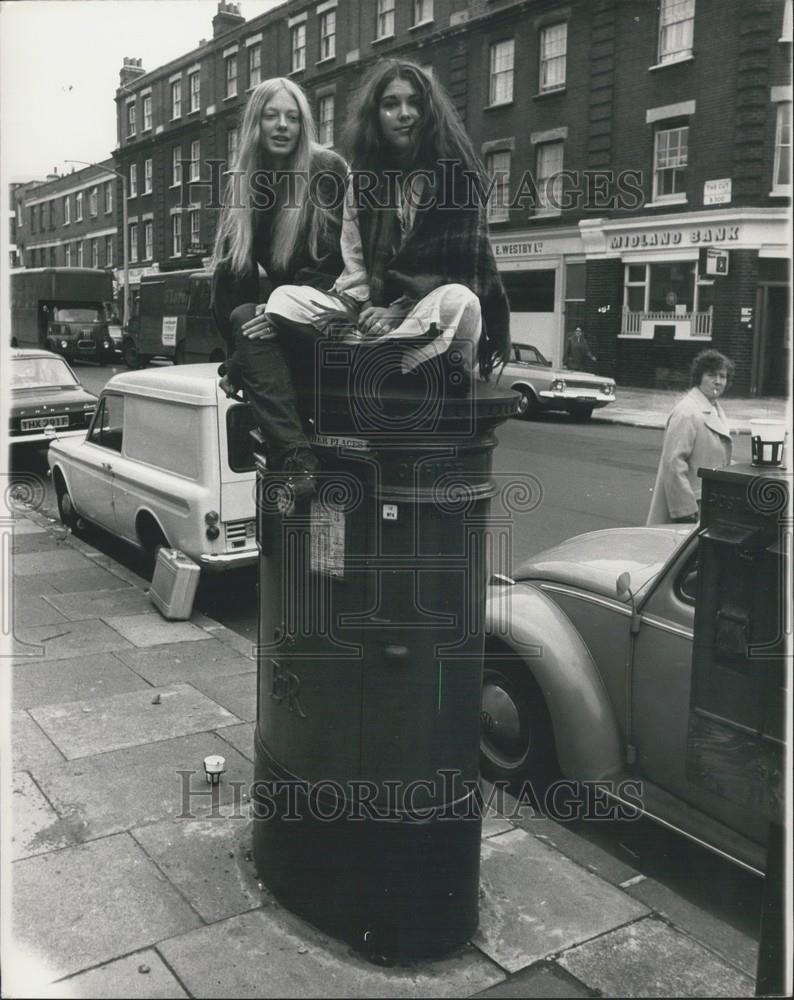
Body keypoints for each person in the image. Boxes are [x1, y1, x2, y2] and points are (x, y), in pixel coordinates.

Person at [258, 58, 511, 464]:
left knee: (461, 302)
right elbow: (354, 263)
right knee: (283, 301)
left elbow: (466, 269)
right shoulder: (362, 176)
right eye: (391, 104)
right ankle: (390, 361)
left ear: (429, 110)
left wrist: (396, 310)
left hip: (421, 310)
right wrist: (354, 307)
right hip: (373, 322)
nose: (404, 114)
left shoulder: (458, 174)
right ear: (375, 114)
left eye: (414, 103)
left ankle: (369, 359)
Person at [210, 77, 346, 485]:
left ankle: (292, 453)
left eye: (293, 117)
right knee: (242, 318)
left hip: (335, 304)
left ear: (304, 125)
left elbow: (338, 261)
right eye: (272, 116)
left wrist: (282, 311)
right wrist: (235, 356)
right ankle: (298, 457)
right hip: (285, 309)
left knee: (254, 320)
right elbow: (234, 273)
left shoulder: (327, 168)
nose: (283, 125)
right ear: (256, 124)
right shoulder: (244, 182)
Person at [647, 349, 734, 524]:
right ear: (699, 377)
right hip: (691, 507)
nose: (718, 381)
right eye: (711, 375)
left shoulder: (714, 409)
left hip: (709, 502)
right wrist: (686, 512)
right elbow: (673, 463)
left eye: (722, 376)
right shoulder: (687, 412)